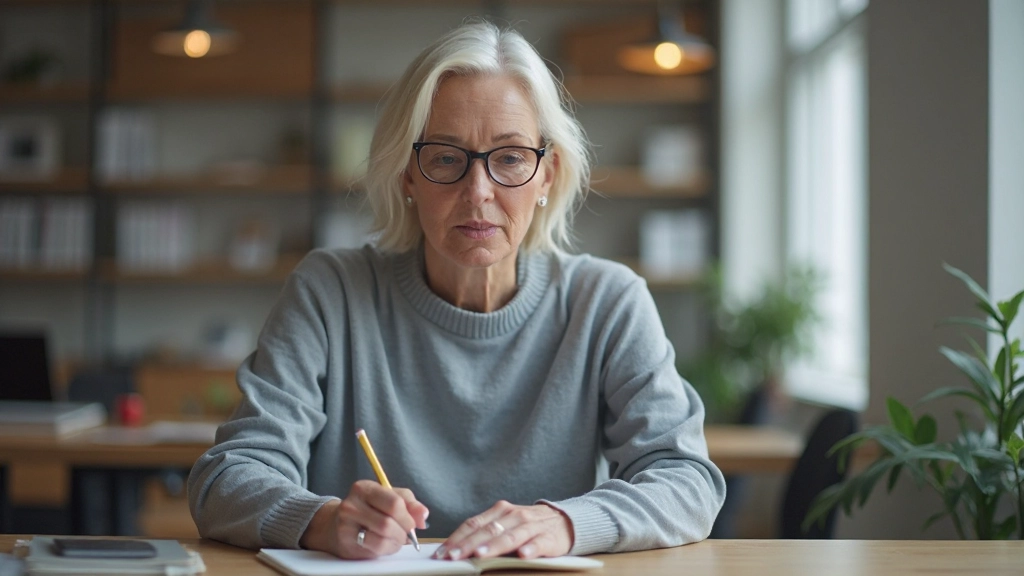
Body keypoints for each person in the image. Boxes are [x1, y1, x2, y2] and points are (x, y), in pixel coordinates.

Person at [187, 21, 725, 561]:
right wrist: (321, 520)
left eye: (510, 158)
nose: (478, 192)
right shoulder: (331, 293)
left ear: (547, 175)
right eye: (445, 157)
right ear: (407, 175)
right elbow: (225, 479)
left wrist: (566, 522)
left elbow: (688, 482)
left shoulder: (607, 302)